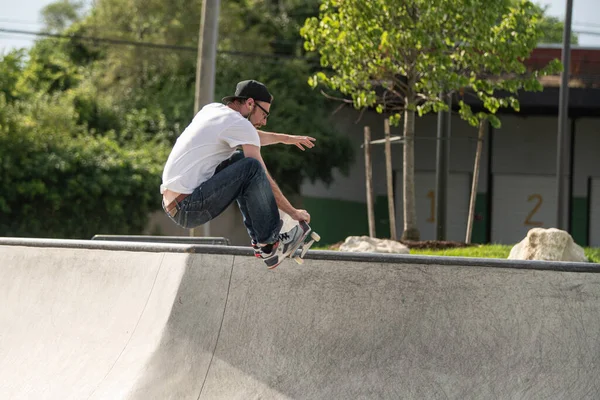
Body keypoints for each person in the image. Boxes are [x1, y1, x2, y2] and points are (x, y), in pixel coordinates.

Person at [160, 79, 316, 268]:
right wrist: (293, 212)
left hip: (176, 203)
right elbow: (261, 172)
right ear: (250, 103)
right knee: (251, 166)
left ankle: (262, 244)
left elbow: (250, 134)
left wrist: (285, 138)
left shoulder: (213, 110)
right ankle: (270, 242)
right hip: (189, 205)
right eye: (264, 114)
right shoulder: (240, 125)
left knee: (238, 159)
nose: (264, 121)